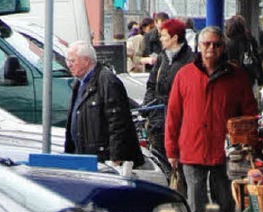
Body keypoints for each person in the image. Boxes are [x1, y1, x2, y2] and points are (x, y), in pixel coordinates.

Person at [165, 26, 258, 212]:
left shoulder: (237, 77)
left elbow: (250, 114)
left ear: (223, 47)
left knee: (225, 202)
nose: (211, 49)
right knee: (197, 202)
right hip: (192, 149)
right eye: (207, 44)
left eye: (216, 44)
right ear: (199, 47)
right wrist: (171, 150)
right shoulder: (185, 75)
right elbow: (173, 115)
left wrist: (252, 146)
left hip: (225, 152)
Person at [64, 41, 143, 169]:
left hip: (103, 161)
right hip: (85, 158)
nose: (68, 65)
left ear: (86, 60)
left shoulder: (107, 81)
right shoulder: (79, 83)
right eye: (67, 60)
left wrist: (116, 158)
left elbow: (118, 123)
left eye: (72, 60)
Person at [143, 18, 194, 159]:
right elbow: (151, 85)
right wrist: (149, 108)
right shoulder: (162, 58)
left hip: (179, 121)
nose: (161, 39)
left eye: (164, 36)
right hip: (158, 119)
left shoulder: (190, 61)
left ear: (174, 38)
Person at [225, 14, 263, 88]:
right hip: (249, 76)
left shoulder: (229, 44)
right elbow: (257, 58)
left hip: (233, 78)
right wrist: (261, 79)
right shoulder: (250, 40)